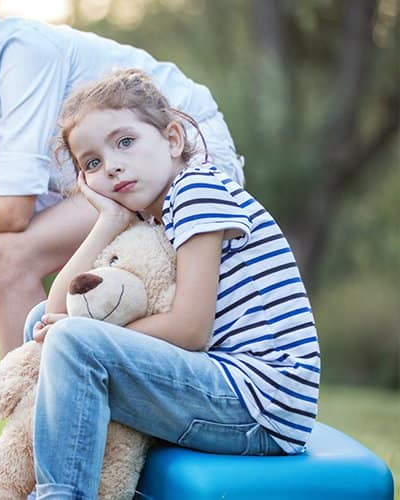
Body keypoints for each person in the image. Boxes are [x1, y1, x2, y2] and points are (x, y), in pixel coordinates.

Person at [0, 1, 246, 497]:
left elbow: (10, 215)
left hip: (162, 161)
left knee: (7, 253)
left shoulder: (20, 51)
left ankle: (27, 456)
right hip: (93, 179)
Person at [19, 68, 319, 498]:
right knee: (43, 325)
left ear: (173, 139)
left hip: (261, 404)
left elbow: (190, 330)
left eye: (125, 142)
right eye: (93, 163)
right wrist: (109, 221)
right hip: (225, 389)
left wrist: (81, 334)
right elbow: (56, 311)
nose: (114, 165)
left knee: (72, 339)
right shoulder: (149, 216)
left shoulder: (196, 190)